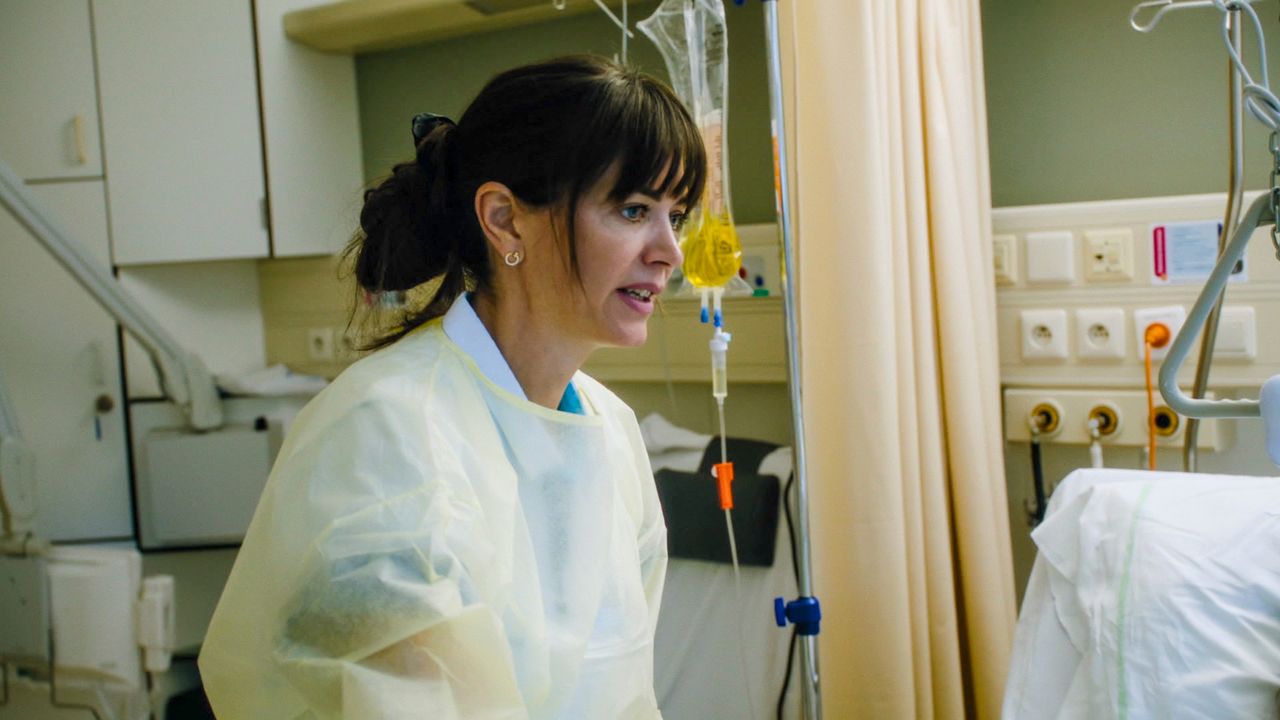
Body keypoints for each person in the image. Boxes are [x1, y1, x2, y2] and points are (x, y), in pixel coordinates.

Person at [198, 55, 707, 719]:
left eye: (677, 216)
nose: (670, 251)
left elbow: (626, 693)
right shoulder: (389, 431)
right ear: (505, 219)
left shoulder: (610, 432)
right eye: (634, 209)